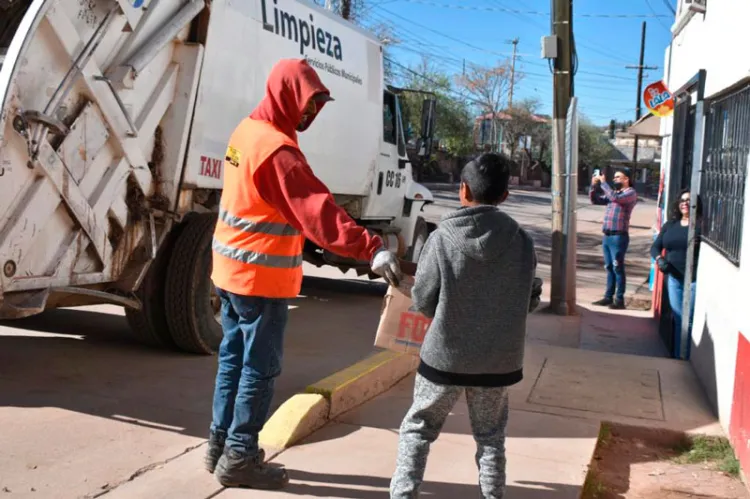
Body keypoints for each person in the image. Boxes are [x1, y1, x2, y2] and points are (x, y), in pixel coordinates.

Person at [207, 59, 402, 490]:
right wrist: (371, 247)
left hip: (230, 270)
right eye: (307, 103)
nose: (310, 113)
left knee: (232, 360)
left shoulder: (247, 132)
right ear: (286, 95)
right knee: (260, 368)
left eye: (316, 105)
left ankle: (219, 445)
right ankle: (240, 455)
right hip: (260, 277)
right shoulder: (278, 152)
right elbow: (317, 212)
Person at [390, 153, 537, 499]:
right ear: (504, 196)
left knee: (418, 429)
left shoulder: (442, 238)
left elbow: (424, 301)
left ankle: (403, 494)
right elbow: (528, 302)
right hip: (500, 362)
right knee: (490, 436)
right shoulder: (522, 242)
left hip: (445, 358)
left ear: (463, 190)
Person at [650, 188, 701, 358]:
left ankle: (683, 357)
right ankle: (680, 356)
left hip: (693, 280)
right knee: (679, 318)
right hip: (674, 278)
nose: (685, 203)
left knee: (688, 320)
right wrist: (659, 259)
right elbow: (655, 247)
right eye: (682, 200)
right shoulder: (670, 225)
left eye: (689, 200)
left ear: (695, 205)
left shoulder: (701, 227)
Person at [589, 168, 638, 309]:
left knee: (617, 267)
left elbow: (615, 199)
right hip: (607, 236)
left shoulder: (630, 193)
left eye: (618, 177)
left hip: (619, 236)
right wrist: (594, 186)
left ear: (626, 179)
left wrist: (604, 184)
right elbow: (596, 200)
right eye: (614, 177)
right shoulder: (614, 193)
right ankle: (608, 297)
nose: (615, 179)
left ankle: (619, 299)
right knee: (609, 267)